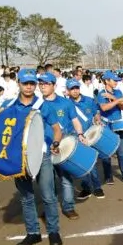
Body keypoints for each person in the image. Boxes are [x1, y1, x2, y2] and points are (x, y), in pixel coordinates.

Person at [0, 71, 65, 245]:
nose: (28, 87)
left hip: (41, 155)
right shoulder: (8, 105)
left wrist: (56, 142)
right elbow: (0, 131)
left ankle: (53, 231)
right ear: (18, 83)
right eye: (25, 83)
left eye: (32, 83)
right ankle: (33, 233)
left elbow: (57, 129)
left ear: (35, 85)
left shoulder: (43, 105)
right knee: (26, 197)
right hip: (18, 158)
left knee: (48, 196)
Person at [38, 72, 88, 220]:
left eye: (46, 83)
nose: (43, 86)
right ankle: (49, 209)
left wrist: (80, 134)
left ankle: (68, 207)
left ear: (54, 85)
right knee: (47, 182)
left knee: (66, 179)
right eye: (40, 84)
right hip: (42, 148)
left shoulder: (66, 103)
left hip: (62, 145)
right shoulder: (36, 103)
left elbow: (75, 120)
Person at [66, 79, 106, 200]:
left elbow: (96, 113)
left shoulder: (89, 100)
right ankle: (86, 188)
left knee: (92, 163)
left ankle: (97, 187)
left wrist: (98, 120)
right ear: (68, 91)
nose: (75, 91)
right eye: (72, 89)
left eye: (76, 88)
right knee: (81, 164)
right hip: (74, 136)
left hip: (89, 135)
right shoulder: (65, 104)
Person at [97, 71, 123, 183]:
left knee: (121, 150)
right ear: (107, 81)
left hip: (117, 124)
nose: (116, 82)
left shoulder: (117, 92)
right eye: (114, 80)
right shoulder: (101, 94)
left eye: (117, 80)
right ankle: (108, 177)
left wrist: (114, 98)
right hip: (106, 124)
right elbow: (104, 108)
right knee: (106, 152)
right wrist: (117, 100)